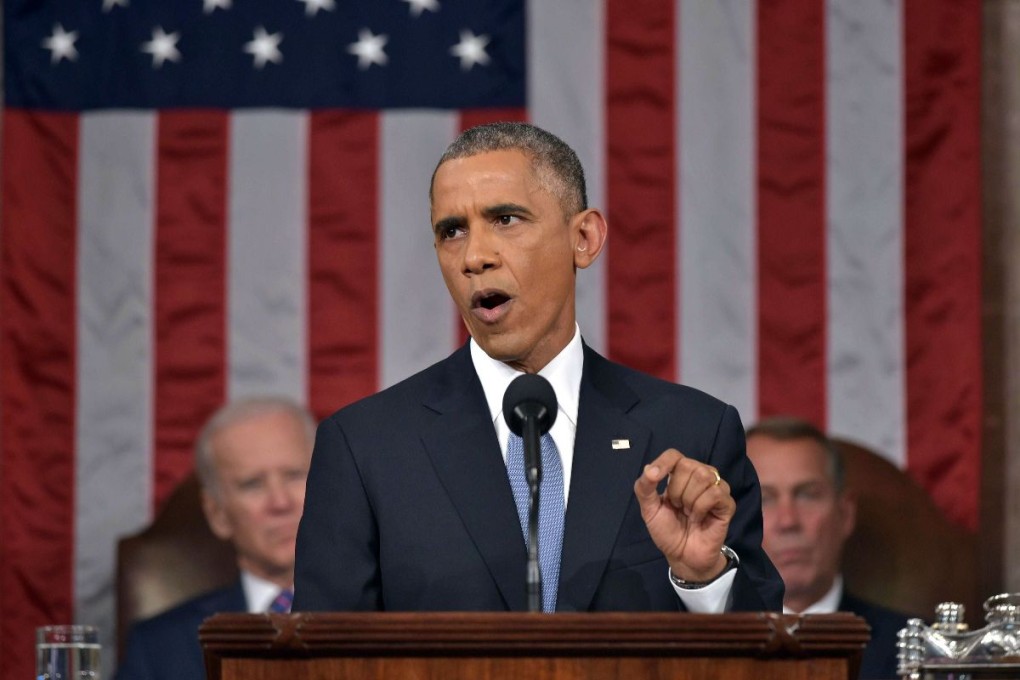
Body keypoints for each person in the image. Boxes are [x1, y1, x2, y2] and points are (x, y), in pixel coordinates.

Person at [294, 122, 782, 615]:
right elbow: (320, 662)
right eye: (452, 231)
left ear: (584, 238)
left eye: (505, 219)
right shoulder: (365, 447)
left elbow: (772, 658)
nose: (475, 257)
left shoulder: (693, 432)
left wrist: (704, 581)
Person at [116, 396, 315, 680]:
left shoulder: (390, 615)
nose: (280, 502)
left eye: (295, 475)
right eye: (253, 484)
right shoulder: (159, 648)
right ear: (218, 514)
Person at [745, 416, 910, 679]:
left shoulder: (916, 649)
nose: (788, 521)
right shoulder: (695, 647)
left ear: (845, 514)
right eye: (764, 499)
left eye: (808, 494)